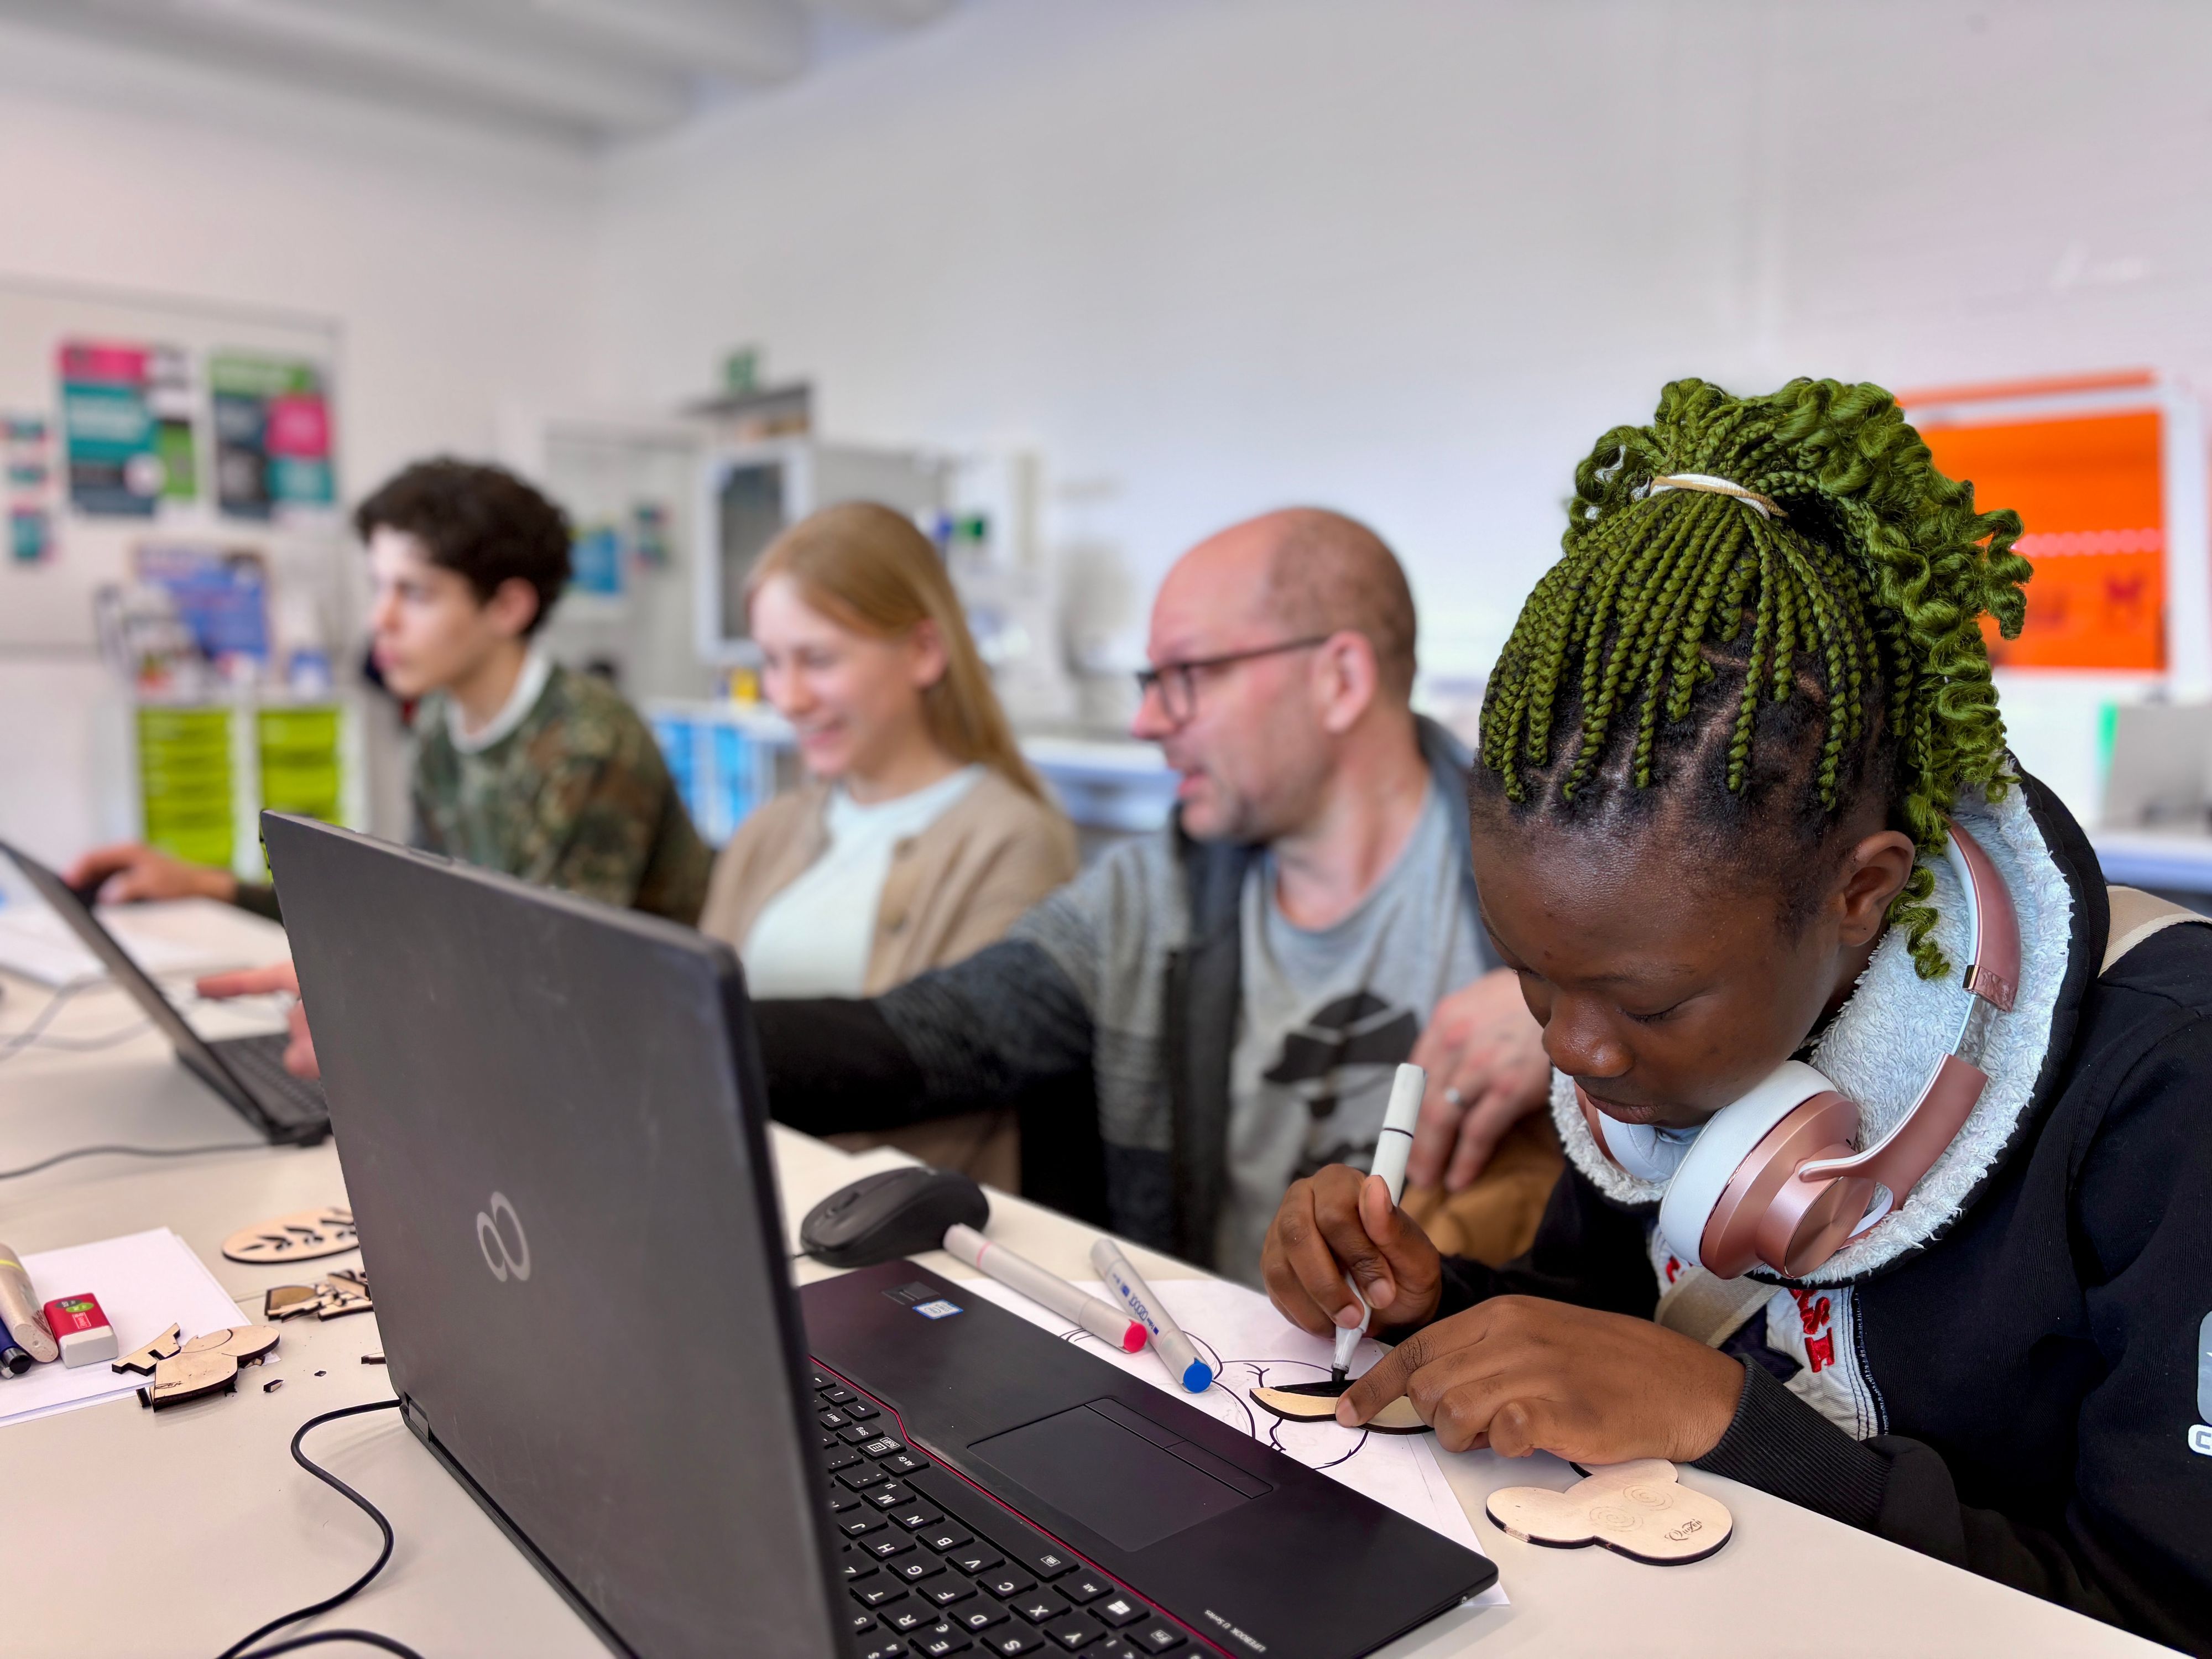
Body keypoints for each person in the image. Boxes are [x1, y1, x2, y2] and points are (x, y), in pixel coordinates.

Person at [1263, 379, 2212, 1652]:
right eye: (1533, 980)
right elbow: (1591, 1331)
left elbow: (2159, 1614)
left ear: (1862, 890)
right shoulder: (1644, 1025)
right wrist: (1432, 1315)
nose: (1575, 1050)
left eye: (1643, 1001)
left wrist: (1732, 1421)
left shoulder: (2167, 1074)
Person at [755, 508, 1556, 1283]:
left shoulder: (1556, 877)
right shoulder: (1148, 897)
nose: (1144, 721)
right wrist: (681, 1028)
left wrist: (1561, 1023)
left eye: (1184, 677)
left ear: (1339, 679)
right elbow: (929, 1037)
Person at [68, 458, 711, 925]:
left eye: (415, 592)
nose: (381, 619)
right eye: (380, 586)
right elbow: (418, 913)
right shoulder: (442, 719)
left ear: (508, 606)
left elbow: (551, 970)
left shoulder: (588, 744)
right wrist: (206, 885)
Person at [698, 503, 1078, 1185]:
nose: (786, 697)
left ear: (924, 652)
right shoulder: (768, 831)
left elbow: (950, 1080)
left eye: (817, 660)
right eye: (772, 663)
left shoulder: (1011, 840)